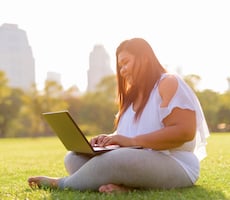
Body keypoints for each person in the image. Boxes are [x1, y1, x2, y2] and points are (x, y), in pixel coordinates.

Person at [28, 38, 210, 193]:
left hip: (176, 163)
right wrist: (110, 139)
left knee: (115, 160)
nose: (122, 71)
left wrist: (131, 142)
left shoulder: (168, 82)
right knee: (74, 158)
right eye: (120, 66)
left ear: (144, 59)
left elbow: (184, 132)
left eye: (126, 62)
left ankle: (62, 183)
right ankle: (128, 188)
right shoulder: (131, 97)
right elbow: (127, 135)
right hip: (136, 160)